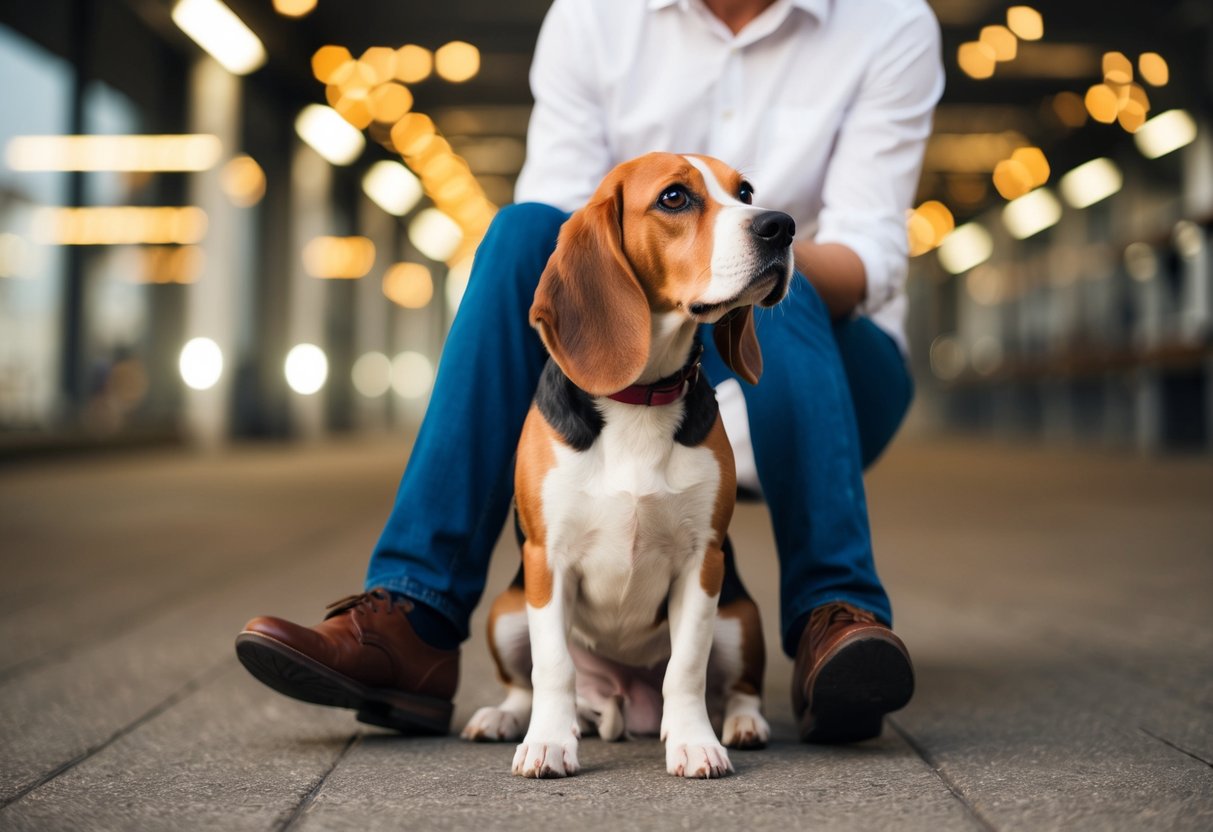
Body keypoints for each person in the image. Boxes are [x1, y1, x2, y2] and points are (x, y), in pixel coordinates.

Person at [237, 0, 944, 744]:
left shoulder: (889, 22)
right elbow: (561, 219)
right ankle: (414, 614)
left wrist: (748, 262)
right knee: (520, 235)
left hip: (826, 362)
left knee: (787, 284)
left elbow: (870, 254)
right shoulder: (592, 16)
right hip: (641, 342)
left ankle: (836, 612)